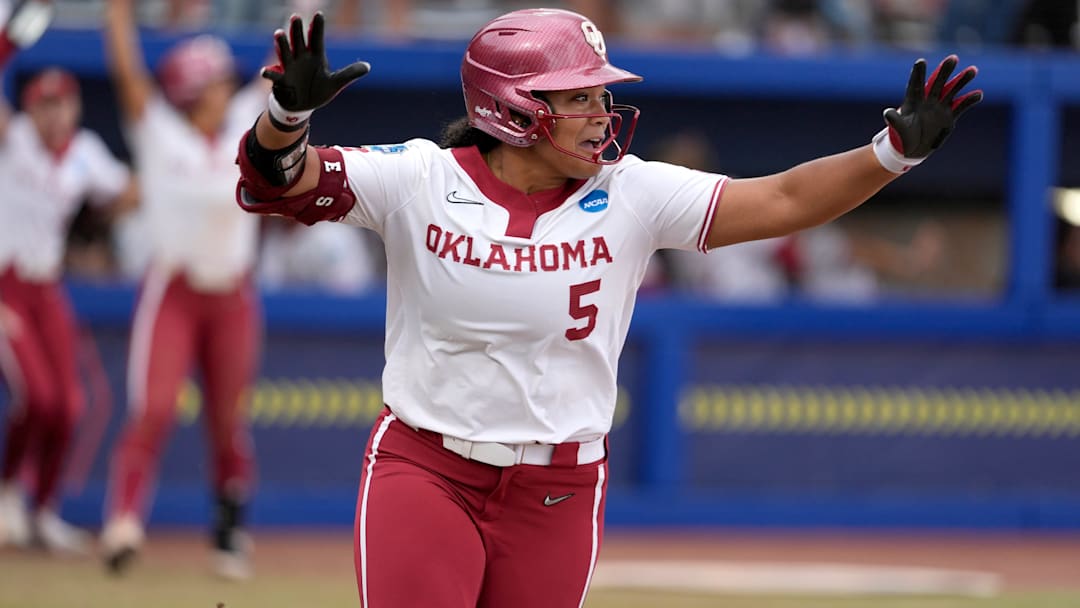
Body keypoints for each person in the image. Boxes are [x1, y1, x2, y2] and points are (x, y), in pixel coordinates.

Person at [235, 8, 981, 606]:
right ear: (514, 108)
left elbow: (783, 198)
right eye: (580, 96)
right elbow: (280, 179)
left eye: (602, 94)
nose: (602, 113)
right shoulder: (421, 179)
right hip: (425, 470)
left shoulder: (632, 193)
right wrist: (285, 116)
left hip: (556, 489)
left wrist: (891, 154)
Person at [99, 0, 268, 580]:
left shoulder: (246, 123)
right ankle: (123, 522)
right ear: (191, 90)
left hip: (231, 296)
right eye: (214, 80)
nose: (225, 88)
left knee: (227, 419)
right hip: (174, 289)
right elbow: (129, 77)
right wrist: (117, 16)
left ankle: (228, 534)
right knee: (152, 408)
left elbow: (279, 71)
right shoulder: (161, 136)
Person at [0, 3, 138, 554]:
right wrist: (7, 45)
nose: (57, 113)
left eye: (65, 103)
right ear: (31, 110)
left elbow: (129, 190)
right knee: (37, 396)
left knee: (71, 404)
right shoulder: (15, 144)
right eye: (46, 104)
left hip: (47, 285)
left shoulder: (85, 153)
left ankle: (45, 509)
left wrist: (99, 220)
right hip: (7, 282)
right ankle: (9, 494)